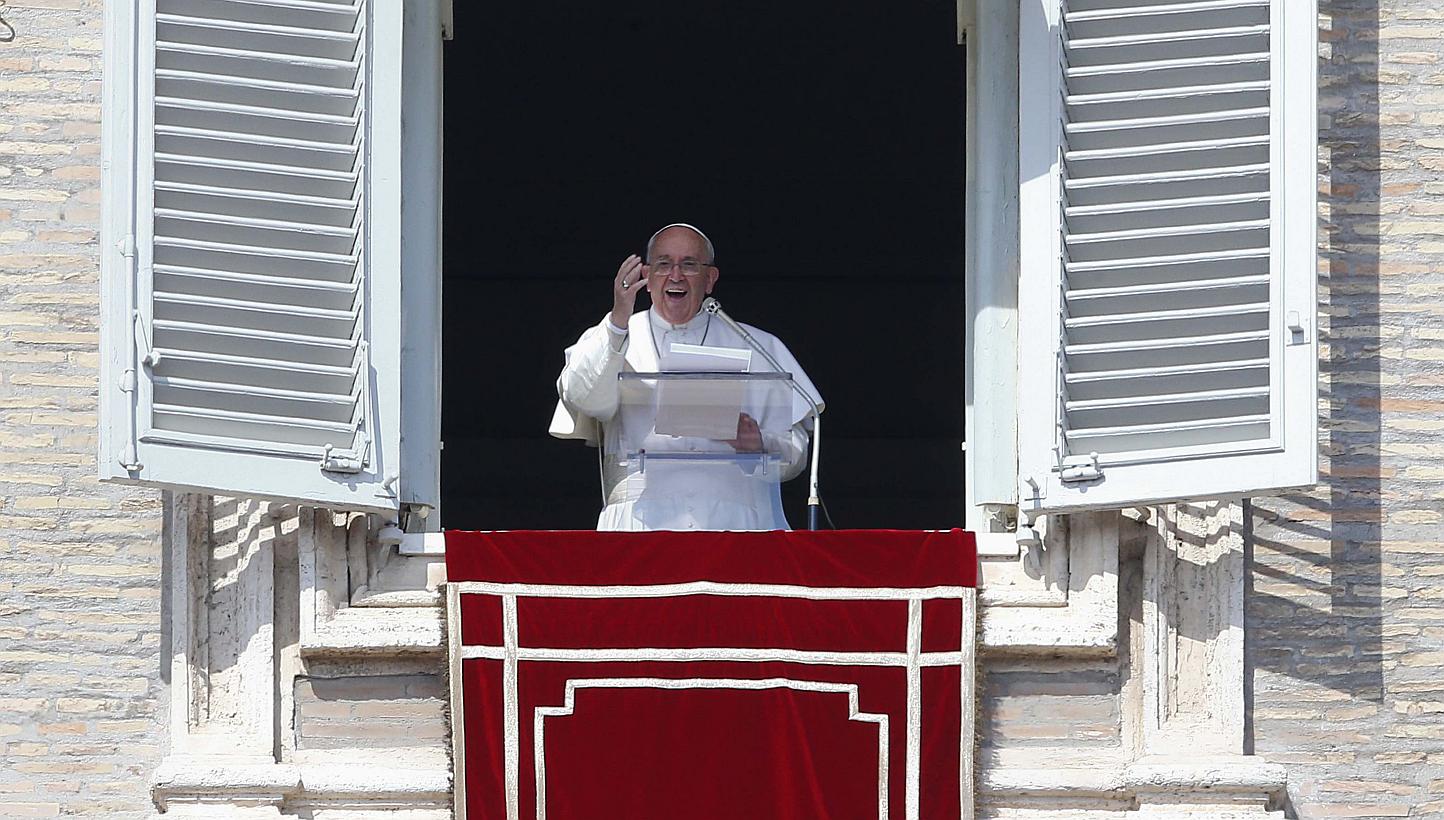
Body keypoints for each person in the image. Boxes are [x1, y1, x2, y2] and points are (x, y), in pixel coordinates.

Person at [550, 223, 824, 531]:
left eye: (689, 265)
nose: (676, 275)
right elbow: (584, 399)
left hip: (739, 526)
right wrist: (617, 321)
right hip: (638, 528)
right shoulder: (612, 337)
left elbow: (798, 453)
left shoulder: (757, 344)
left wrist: (758, 443)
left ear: (710, 279)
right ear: (648, 276)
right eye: (664, 264)